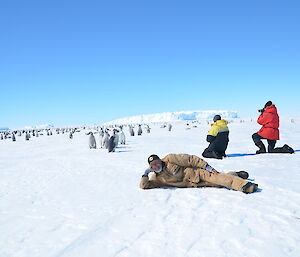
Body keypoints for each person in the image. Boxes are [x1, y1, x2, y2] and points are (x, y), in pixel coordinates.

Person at [140, 154, 258, 194]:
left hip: (198, 173)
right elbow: (144, 186)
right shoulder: (157, 178)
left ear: (160, 160)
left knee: (218, 178)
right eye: (152, 166)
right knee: (219, 183)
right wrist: (145, 174)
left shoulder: (170, 159)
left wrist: (208, 167)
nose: (156, 166)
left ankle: (244, 185)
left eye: (157, 163)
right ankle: (234, 174)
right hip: (193, 184)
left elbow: (191, 159)